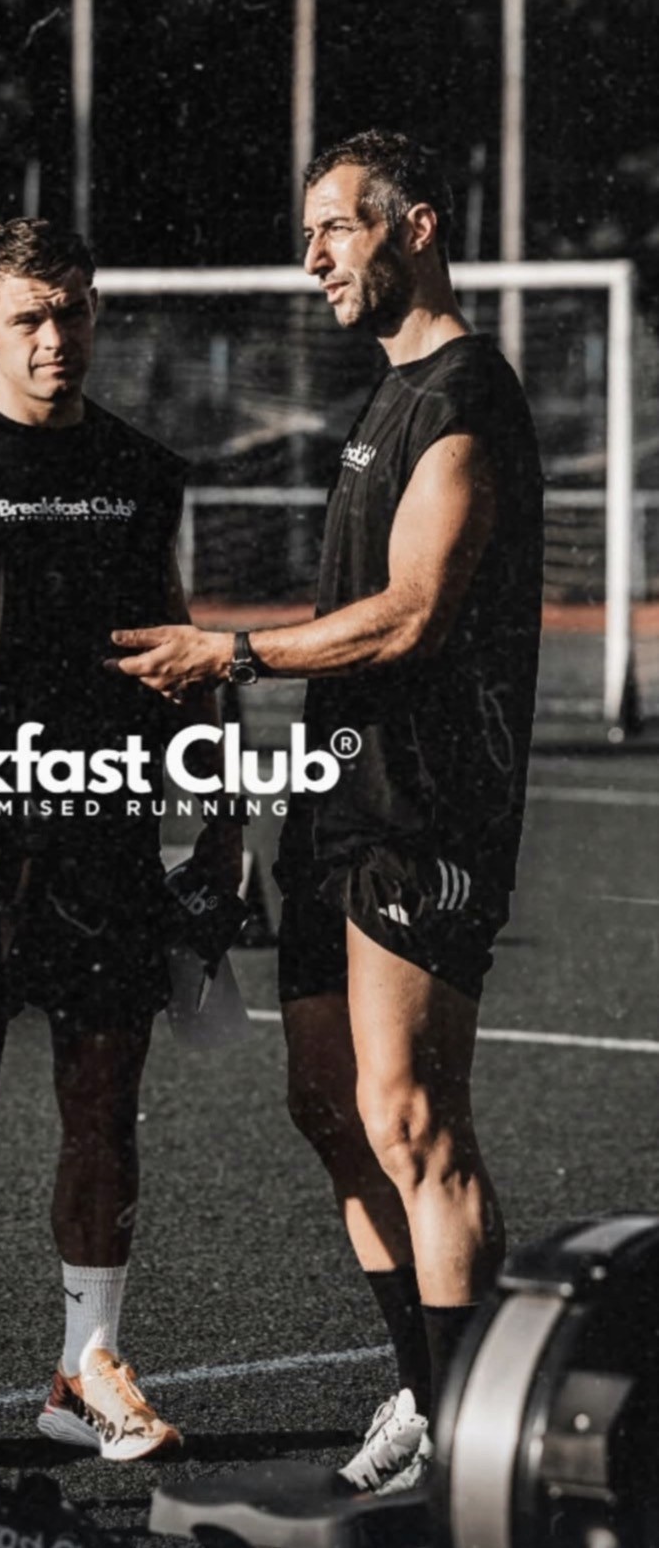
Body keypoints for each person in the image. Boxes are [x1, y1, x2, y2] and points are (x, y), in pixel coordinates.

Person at [110, 130, 543, 1492]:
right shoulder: (384, 394)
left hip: (427, 812)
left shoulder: (466, 394)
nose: (309, 261)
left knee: (411, 1116)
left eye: (332, 231)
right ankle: (428, 1391)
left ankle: (477, 1434)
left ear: (410, 227)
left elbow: (409, 617)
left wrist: (226, 653)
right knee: (326, 1102)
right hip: (339, 804)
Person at [0, 217, 242, 1461]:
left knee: (103, 1102)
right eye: (28, 315)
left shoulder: (138, 467)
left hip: (106, 835)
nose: (55, 336)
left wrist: (222, 820)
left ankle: (85, 1371)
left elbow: (175, 650)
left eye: (72, 310)